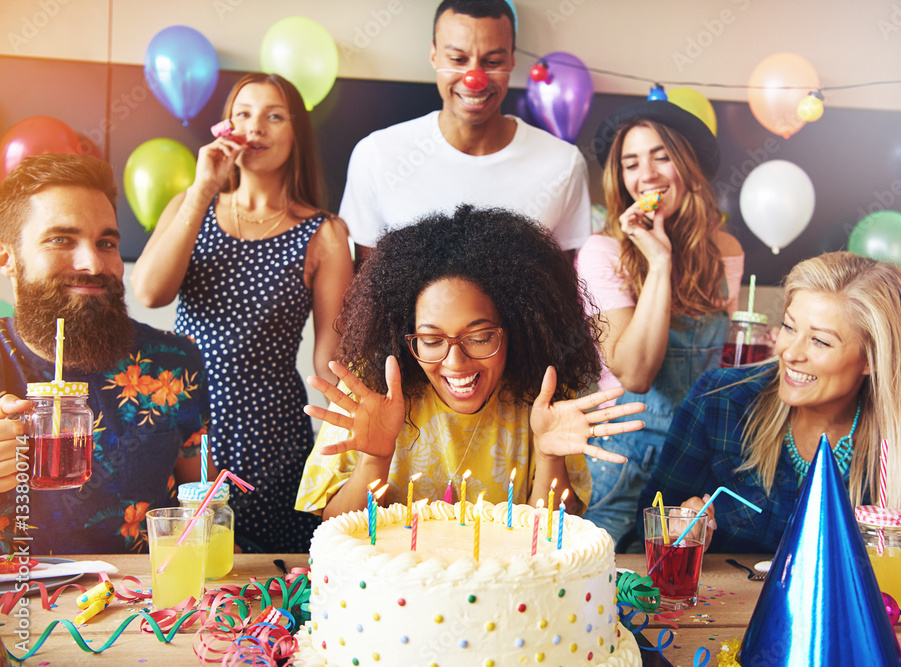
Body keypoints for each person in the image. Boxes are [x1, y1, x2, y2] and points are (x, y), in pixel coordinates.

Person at [295, 205, 645, 519]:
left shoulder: (544, 393)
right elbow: (333, 526)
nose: (455, 362)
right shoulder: (369, 387)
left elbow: (555, 542)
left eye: (479, 338)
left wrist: (549, 456)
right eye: (431, 341)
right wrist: (375, 459)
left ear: (517, 329)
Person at [130, 73, 353, 553]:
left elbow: (329, 362)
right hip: (183, 420)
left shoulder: (325, 232)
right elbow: (149, 292)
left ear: (296, 134)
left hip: (272, 431)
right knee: (182, 562)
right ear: (225, 128)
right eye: (244, 114)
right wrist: (202, 188)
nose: (257, 128)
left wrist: (352, 447)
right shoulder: (191, 205)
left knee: (271, 577)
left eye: (275, 116)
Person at [636, 251, 901, 553]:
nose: (790, 352)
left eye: (820, 340)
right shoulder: (719, 400)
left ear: (871, 359)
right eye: (790, 327)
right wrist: (678, 527)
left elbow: (886, 562)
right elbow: (647, 522)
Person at [0, 154, 211, 555]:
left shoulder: (174, 359)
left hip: (149, 607)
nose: (93, 263)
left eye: (106, 243)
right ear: (7, 257)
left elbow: (200, 492)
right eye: (61, 239)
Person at [575, 100, 744, 549]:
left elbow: (716, 366)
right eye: (631, 163)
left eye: (661, 156)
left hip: (693, 459)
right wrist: (660, 260)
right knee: (599, 590)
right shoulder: (602, 252)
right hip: (619, 461)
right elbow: (636, 372)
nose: (646, 174)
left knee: (682, 595)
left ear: (687, 165)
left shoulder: (726, 250)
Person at [340, 0, 592, 266]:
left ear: (512, 59)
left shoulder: (563, 163)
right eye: (458, 59)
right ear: (434, 54)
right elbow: (365, 289)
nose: (475, 79)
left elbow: (564, 291)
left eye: (492, 61)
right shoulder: (377, 155)